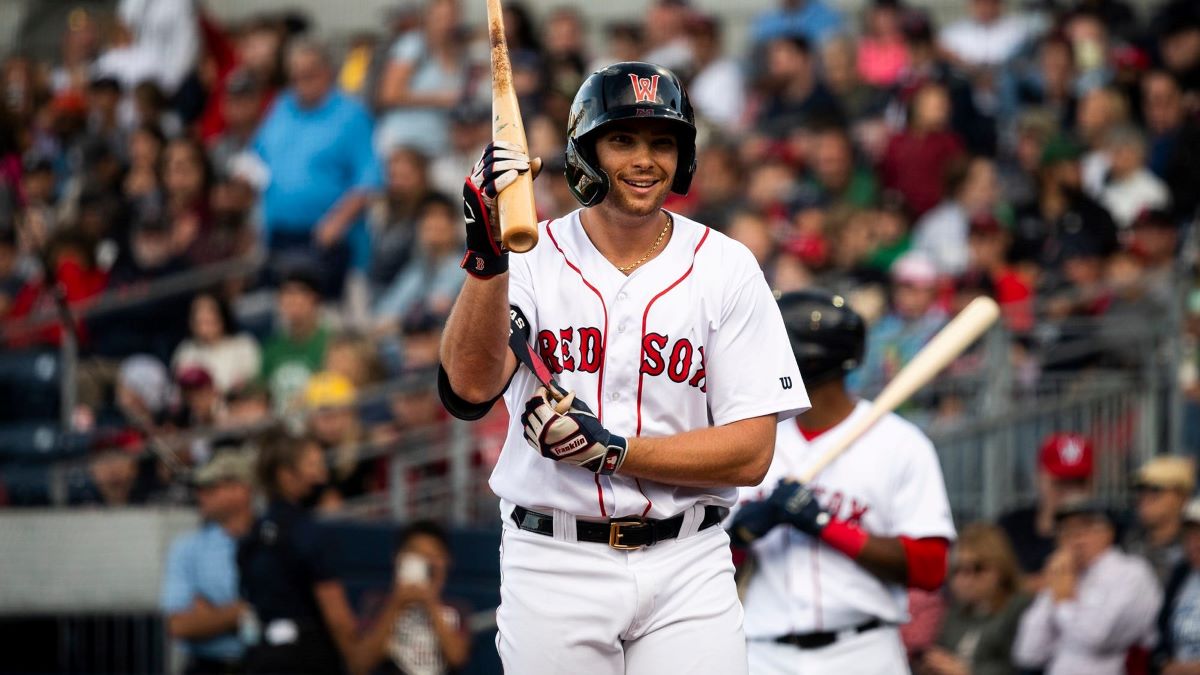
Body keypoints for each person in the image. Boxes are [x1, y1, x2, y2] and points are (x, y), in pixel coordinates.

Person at [438, 62, 810, 673]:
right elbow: (469, 390)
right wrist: (487, 256)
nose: (645, 159)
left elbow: (751, 453)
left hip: (689, 559)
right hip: (555, 558)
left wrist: (615, 450)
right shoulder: (532, 260)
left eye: (663, 142)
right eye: (623, 140)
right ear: (585, 152)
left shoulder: (727, 267)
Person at [729, 289, 955, 674]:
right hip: (764, 651)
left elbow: (930, 568)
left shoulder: (900, 442)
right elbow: (713, 562)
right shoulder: (753, 441)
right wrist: (740, 536)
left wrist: (824, 525)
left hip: (862, 650)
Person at [237, 428, 392, 675]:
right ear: (285, 475)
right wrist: (358, 657)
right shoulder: (307, 533)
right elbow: (339, 620)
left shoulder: (254, 532)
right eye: (312, 465)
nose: (322, 474)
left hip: (260, 654)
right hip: (304, 658)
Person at [252, 38, 381, 299]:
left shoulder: (351, 114)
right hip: (278, 235)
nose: (301, 85)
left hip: (326, 239)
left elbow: (369, 178)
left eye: (309, 75)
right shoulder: (281, 106)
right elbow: (256, 159)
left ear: (327, 73)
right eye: (295, 77)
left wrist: (337, 221)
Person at [1012, 497, 1162, 675]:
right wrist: (1051, 594)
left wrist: (1063, 602)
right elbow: (1028, 653)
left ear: (1109, 532)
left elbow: (1098, 638)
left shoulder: (1131, 572)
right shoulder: (1065, 575)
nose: (1075, 538)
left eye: (1085, 527)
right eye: (1066, 530)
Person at [160, 451, 256, 675]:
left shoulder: (274, 542)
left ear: (241, 490)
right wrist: (242, 611)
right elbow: (179, 625)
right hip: (207, 667)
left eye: (211, 488)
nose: (200, 495)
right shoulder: (188, 549)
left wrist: (211, 615)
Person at [355, 520, 471, 675]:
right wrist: (397, 603)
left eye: (434, 556)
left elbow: (457, 657)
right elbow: (362, 663)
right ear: (398, 559)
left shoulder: (457, 610)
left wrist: (431, 602)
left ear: (447, 562)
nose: (427, 564)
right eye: (418, 555)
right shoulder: (376, 604)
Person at [920, 522, 1031, 675]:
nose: (966, 579)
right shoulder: (956, 611)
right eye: (958, 570)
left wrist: (968, 672)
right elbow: (940, 653)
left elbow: (1020, 667)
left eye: (977, 568)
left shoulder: (1020, 608)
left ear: (1001, 567)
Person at [996, 432, 1094, 586]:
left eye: (1078, 483)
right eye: (1060, 483)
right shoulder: (1011, 527)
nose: (1069, 492)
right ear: (1038, 478)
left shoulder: (1105, 531)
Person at [172, 292, 262, 396]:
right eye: (198, 313)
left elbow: (253, 384)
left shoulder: (243, 345)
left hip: (240, 406)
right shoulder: (186, 352)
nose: (203, 316)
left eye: (209, 312)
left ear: (221, 316)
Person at [1125, 455, 1196, 584]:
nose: (1144, 498)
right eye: (1140, 490)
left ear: (1182, 497)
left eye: (1155, 490)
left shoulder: (1193, 546)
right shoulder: (1127, 539)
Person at [1155, 497, 1200, 672]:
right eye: (1190, 535)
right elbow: (1160, 637)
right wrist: (1163, 664)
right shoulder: (1181, 574)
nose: (1195, 543)